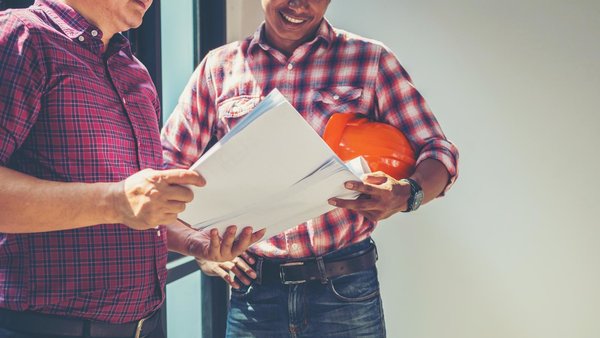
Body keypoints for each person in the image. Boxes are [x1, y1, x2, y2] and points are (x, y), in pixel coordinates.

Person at [161, 0, 459, 336]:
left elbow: (437, 149)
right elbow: (168, 170)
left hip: (345, 291)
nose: (298, 4)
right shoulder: (218, 68)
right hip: (254, 296)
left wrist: (409, 194)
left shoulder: (370, 60)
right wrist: (199, 246)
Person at [0, 1, 263, 338]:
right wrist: (115, 201)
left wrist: (193, 241)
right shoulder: (22, 37)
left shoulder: (135, 71)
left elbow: (140, 208)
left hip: (147, 326)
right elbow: (123, 202)